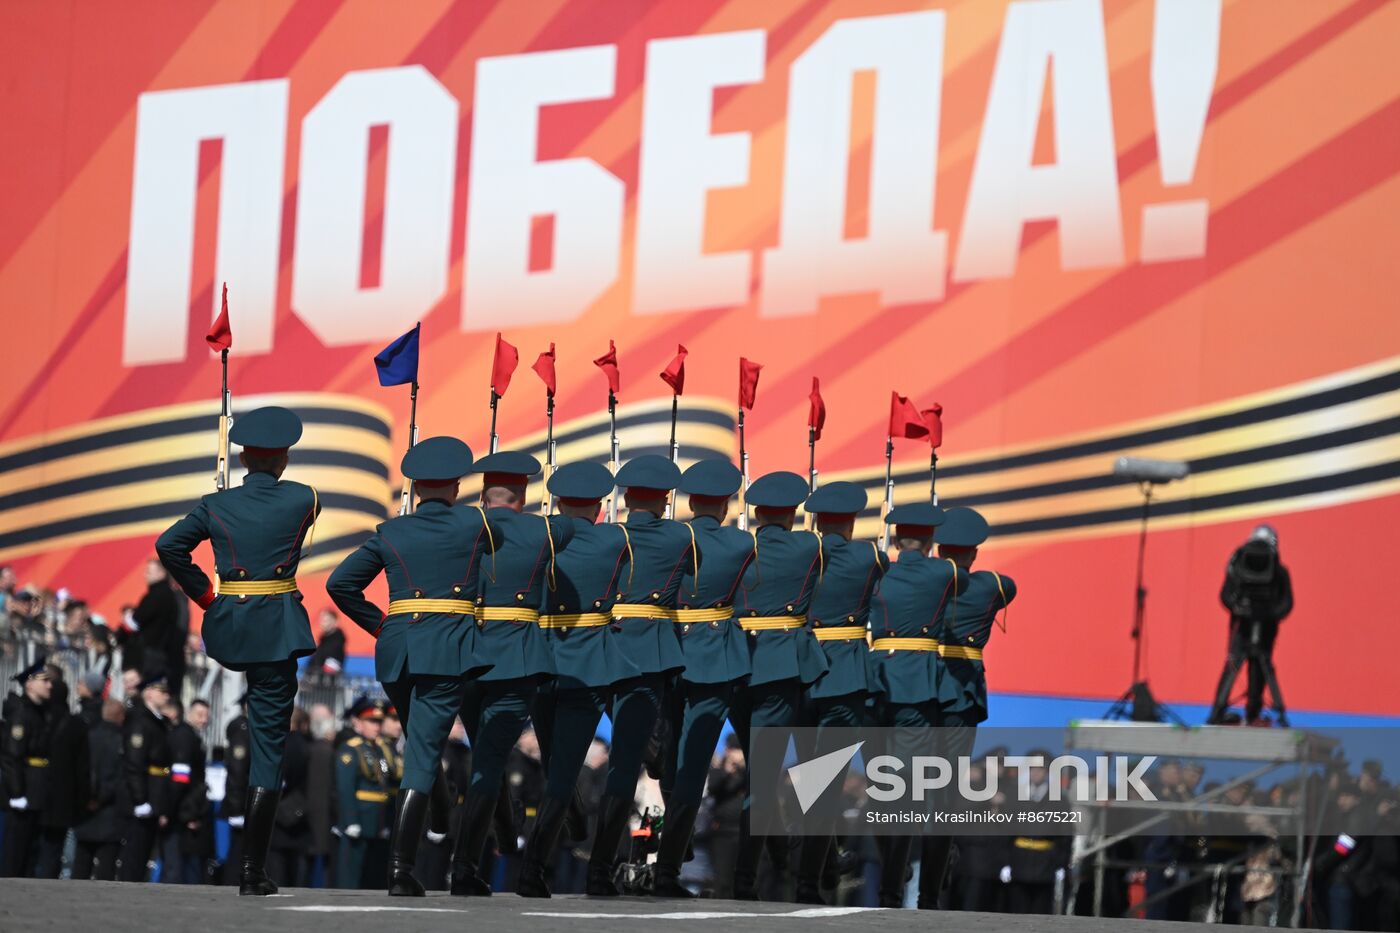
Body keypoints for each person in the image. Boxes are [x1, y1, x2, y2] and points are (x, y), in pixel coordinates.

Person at [155, 405, 321, 895]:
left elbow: (170, 546)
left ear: (245, 455)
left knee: (240, 720)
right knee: (269, 747)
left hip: (228, 625)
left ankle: (242, 861)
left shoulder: (215, 504)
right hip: (277, 629)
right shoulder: (306, 498)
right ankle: (251, 870)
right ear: (285, 457)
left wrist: (208, 595)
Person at [328, 436, 504, 894]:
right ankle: (401, 870)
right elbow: (499, 540)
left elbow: (340, 584)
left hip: (399, 651)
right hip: (445, 651)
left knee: (421, 744)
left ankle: (441, 814)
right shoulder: (475, 523)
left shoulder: (391, 531)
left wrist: (383, 626)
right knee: (423, 753)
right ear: (456, 485)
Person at [452, 450, 573, 896]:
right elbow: (568, 525)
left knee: (485, 755)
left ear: (483, 495)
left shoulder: (462, 525)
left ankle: (492, 844)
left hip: (465, 656)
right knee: (489, 759)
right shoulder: (545, 529)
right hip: (517, 659)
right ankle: (464, 864)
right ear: (524, 496)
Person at [516, 461, 638, 897]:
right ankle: (535, 867)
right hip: (587, 665)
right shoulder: (615, 538)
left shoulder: (540, 535)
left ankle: (547, 850)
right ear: (602, 506)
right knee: (563, 771)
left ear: (558, 501)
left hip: (540, 657)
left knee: (556, 766)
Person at [584, 454, 691, 897]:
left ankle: (593, 868)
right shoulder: (680, 539)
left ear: (626, 499)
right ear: (665, 503)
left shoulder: (606, 536)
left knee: (619, 764)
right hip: (650, 657)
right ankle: (613, 870)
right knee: (636, 763)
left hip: (601, 651)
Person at [652, 460, 754, 899]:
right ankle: (669, 866)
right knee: (692, 766)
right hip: (714, 659)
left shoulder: (671, 538)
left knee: (672, 759)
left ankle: (672, 839)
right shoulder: (741, 543)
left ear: (691, 503)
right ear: (727, 506)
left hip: (669, 650)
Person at [730, 471, 830, 900]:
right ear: (792, 514)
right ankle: (747, 879)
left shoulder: (737, 547)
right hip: (777, 670)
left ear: (754, 512)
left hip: (733, 665)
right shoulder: (810, 545)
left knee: (760, 771)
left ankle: (772, 853)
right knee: (763, 778)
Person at [866, 502, 967, 908]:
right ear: (930, 543)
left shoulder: (878, 571)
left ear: (893, 539)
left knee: (880, 787)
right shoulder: (945, 572)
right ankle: (892, 883)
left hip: (875, 679)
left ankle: (892, 862)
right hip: (918, 684)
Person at [795, 481, 887, 904]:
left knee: (808, 780)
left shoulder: (799, 553)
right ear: (850, 522)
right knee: (823, 781)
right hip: (843, 675)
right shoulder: (869, 556)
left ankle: (822, 865)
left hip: (796, 669)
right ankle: (811, 878)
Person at [922, 507, 1016, 909]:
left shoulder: (921, 584)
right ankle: (932, 876)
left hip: (921, 686)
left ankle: (903, 873)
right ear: (974, 554)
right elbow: (1006, 587)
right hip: (961, 694)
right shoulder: (992, 586)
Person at [1208, 524, 1293, 725]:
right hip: (1243, 627)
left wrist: (1270, 614)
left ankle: (1253, 712)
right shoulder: (1238, 565)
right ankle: (1217, 712)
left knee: (1259, 667)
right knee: (1233, 663)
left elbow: (1287, 603)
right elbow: (1226, 594)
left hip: (1266, 628)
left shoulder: (1279, 572)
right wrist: (1238, 608)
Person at [119, 671, 173, 882]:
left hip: (154, 794)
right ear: (148, 693)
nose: (166, 696)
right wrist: (140, 799)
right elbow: (135, 763)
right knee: (135, 853)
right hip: (143, 796)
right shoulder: (141, 721)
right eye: (162, 691)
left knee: (144, 853)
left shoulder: (156, 721)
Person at [1, 659, 53, 877]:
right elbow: (12, 756)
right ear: (29, 684)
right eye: (45, 680)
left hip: (35, 789)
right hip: (24, 790)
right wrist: (17, 792)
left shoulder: (39, 712)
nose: (49, 685)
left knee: (29, 852)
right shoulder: (22, 714)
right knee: (15, 852)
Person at [336, 697, 395, 889]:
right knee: (351, 874)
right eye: (371, 721)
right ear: (358, 722)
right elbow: (346, 788)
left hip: (376, 819)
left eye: (379, 722)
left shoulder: (379, 749)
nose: (376, 726)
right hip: (360, 815)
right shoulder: (350, 749)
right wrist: (350, 820)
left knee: (373, 875)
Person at [35, 668, 90, 878]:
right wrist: (82, 798)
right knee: (54, 849)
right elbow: (82, 767)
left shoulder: (42, 719)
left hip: (38, 792)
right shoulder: (75, 724)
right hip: (63, 796)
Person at [73, 698, 127, 880]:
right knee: (106, 865)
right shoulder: (120, 740)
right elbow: (120, 777)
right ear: (120, 716)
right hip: (110, 810)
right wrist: (102, 798)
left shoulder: (89, 735)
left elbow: (80, 770)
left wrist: (89, 797)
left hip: (85, 809)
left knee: (81, 862)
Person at [162, 698, 209, 883]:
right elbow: (181, 778)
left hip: (182, 807)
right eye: (199, 715)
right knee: (177, 865)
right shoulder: (185, 738)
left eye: (206, 716)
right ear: (188, 714)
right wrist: (187, 812)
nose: (203, 720)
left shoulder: (189, 736)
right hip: (181, 809)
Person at [126, 560, 181, 687]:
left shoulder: (158, 595)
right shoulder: (169, 595)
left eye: (149, 571)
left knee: (144, 690)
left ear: (161, 573)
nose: (145, 575)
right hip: (158, 654)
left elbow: (138, 618)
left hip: (150, 654)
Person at [221, 692, 251, 885]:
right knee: (239, 849)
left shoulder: (249, 729)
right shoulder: (243, 731)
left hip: (245, 799)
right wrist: (236, 808)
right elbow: (237, 773)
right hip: (241, 802)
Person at [306, 609, 347, 682]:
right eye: (321, 620)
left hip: (327, 686)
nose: (322, 623)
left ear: (335, 622)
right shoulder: (323, 640)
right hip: (316, 684)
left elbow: (332, 666)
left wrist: (315, 678)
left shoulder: (337, 641)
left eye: (326, 620)